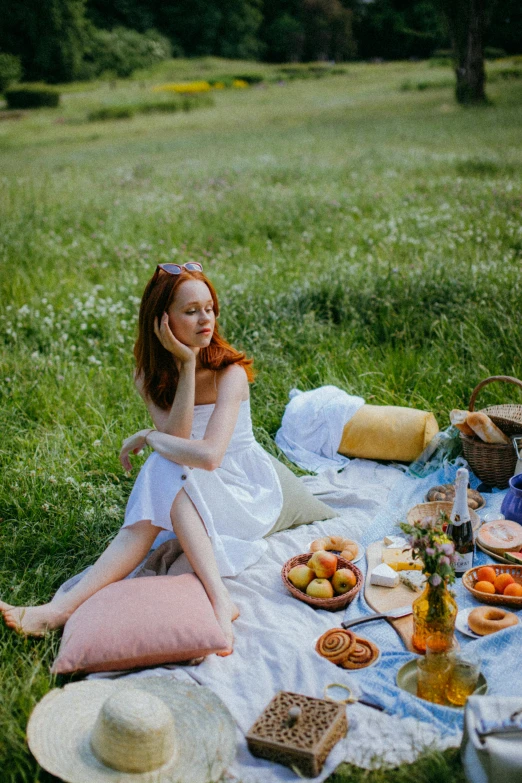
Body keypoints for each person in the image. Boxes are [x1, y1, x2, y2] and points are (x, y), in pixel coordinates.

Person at [0, 263, 283, 653]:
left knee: (162, 463)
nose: (206, 319)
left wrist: (150, 436)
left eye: (210, 307)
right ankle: (62, 609)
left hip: (241, 489)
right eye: (191, 311)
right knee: (165, 465)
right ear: (162, 321)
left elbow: (210, 456)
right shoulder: (147, 375)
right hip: (189, 481)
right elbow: (179, 440)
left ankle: (214, 600)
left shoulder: (228, 372)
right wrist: (185, 367)